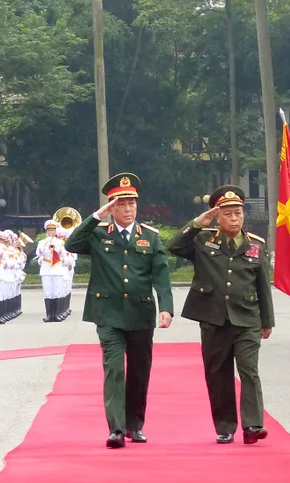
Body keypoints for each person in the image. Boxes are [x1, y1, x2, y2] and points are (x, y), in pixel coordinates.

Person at [65, 172, 174, 449]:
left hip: (140, 314)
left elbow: (161, 275)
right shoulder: (98, 234)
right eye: (121, 204)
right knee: (114, 369)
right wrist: (96, 216)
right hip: (108, 314)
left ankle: (134, 426)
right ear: (112, 207)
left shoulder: (150, 237)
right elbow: (71, 244)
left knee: (139, 372)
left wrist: (166, 308)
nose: (127, 209)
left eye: (131, 204)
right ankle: (115, 428)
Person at [168, 185, 275, 445]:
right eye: (227, 214)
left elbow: (263, 286)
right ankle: (225, 426)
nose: (234, 218)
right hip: (214, 318)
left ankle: (252, 425)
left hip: (246, 319)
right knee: (218, 374)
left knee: (249, 371)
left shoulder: (255, 246)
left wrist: (266, 321)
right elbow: (174, 246)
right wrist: (196, 224)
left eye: (238, 213)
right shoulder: (204, 241)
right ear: (217, 216)